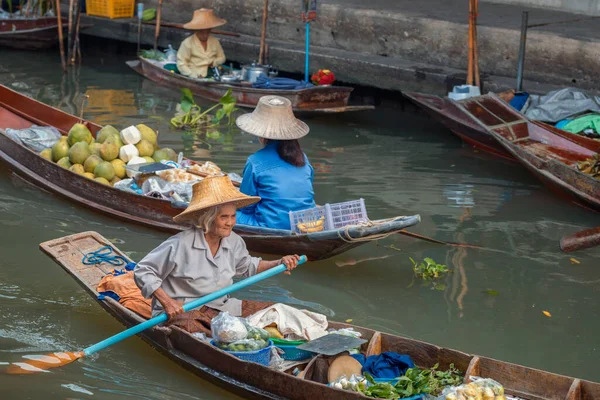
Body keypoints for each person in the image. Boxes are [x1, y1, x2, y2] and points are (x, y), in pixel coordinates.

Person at [133, 175, 300, 334]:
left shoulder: (234, 241)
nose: (230, 223)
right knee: (196, 327)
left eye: (233, 216)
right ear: (208, 219)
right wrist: (168, 303)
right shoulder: (179, 244)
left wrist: (278, 263)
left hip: (221, 308)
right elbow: (143, 270)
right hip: (185, 310)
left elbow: (248, 266)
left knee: (274, 311)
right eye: (224, 217)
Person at [235, 96, 316, 230]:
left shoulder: (255, 161)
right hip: (307, 223)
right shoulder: (303, 158)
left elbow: (246, 206)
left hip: (271, 225)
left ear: (261, 135)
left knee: (223, 214)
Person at [177, 8, 227, 79]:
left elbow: (222, 57)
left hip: (213, 72)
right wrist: (193, 75)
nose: (205, 35)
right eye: (202, 32)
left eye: (207, 31)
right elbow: (181, 64)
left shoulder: (215, 41)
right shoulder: (187, 43)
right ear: (197, 30)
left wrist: (213, 62)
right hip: (195, 75)